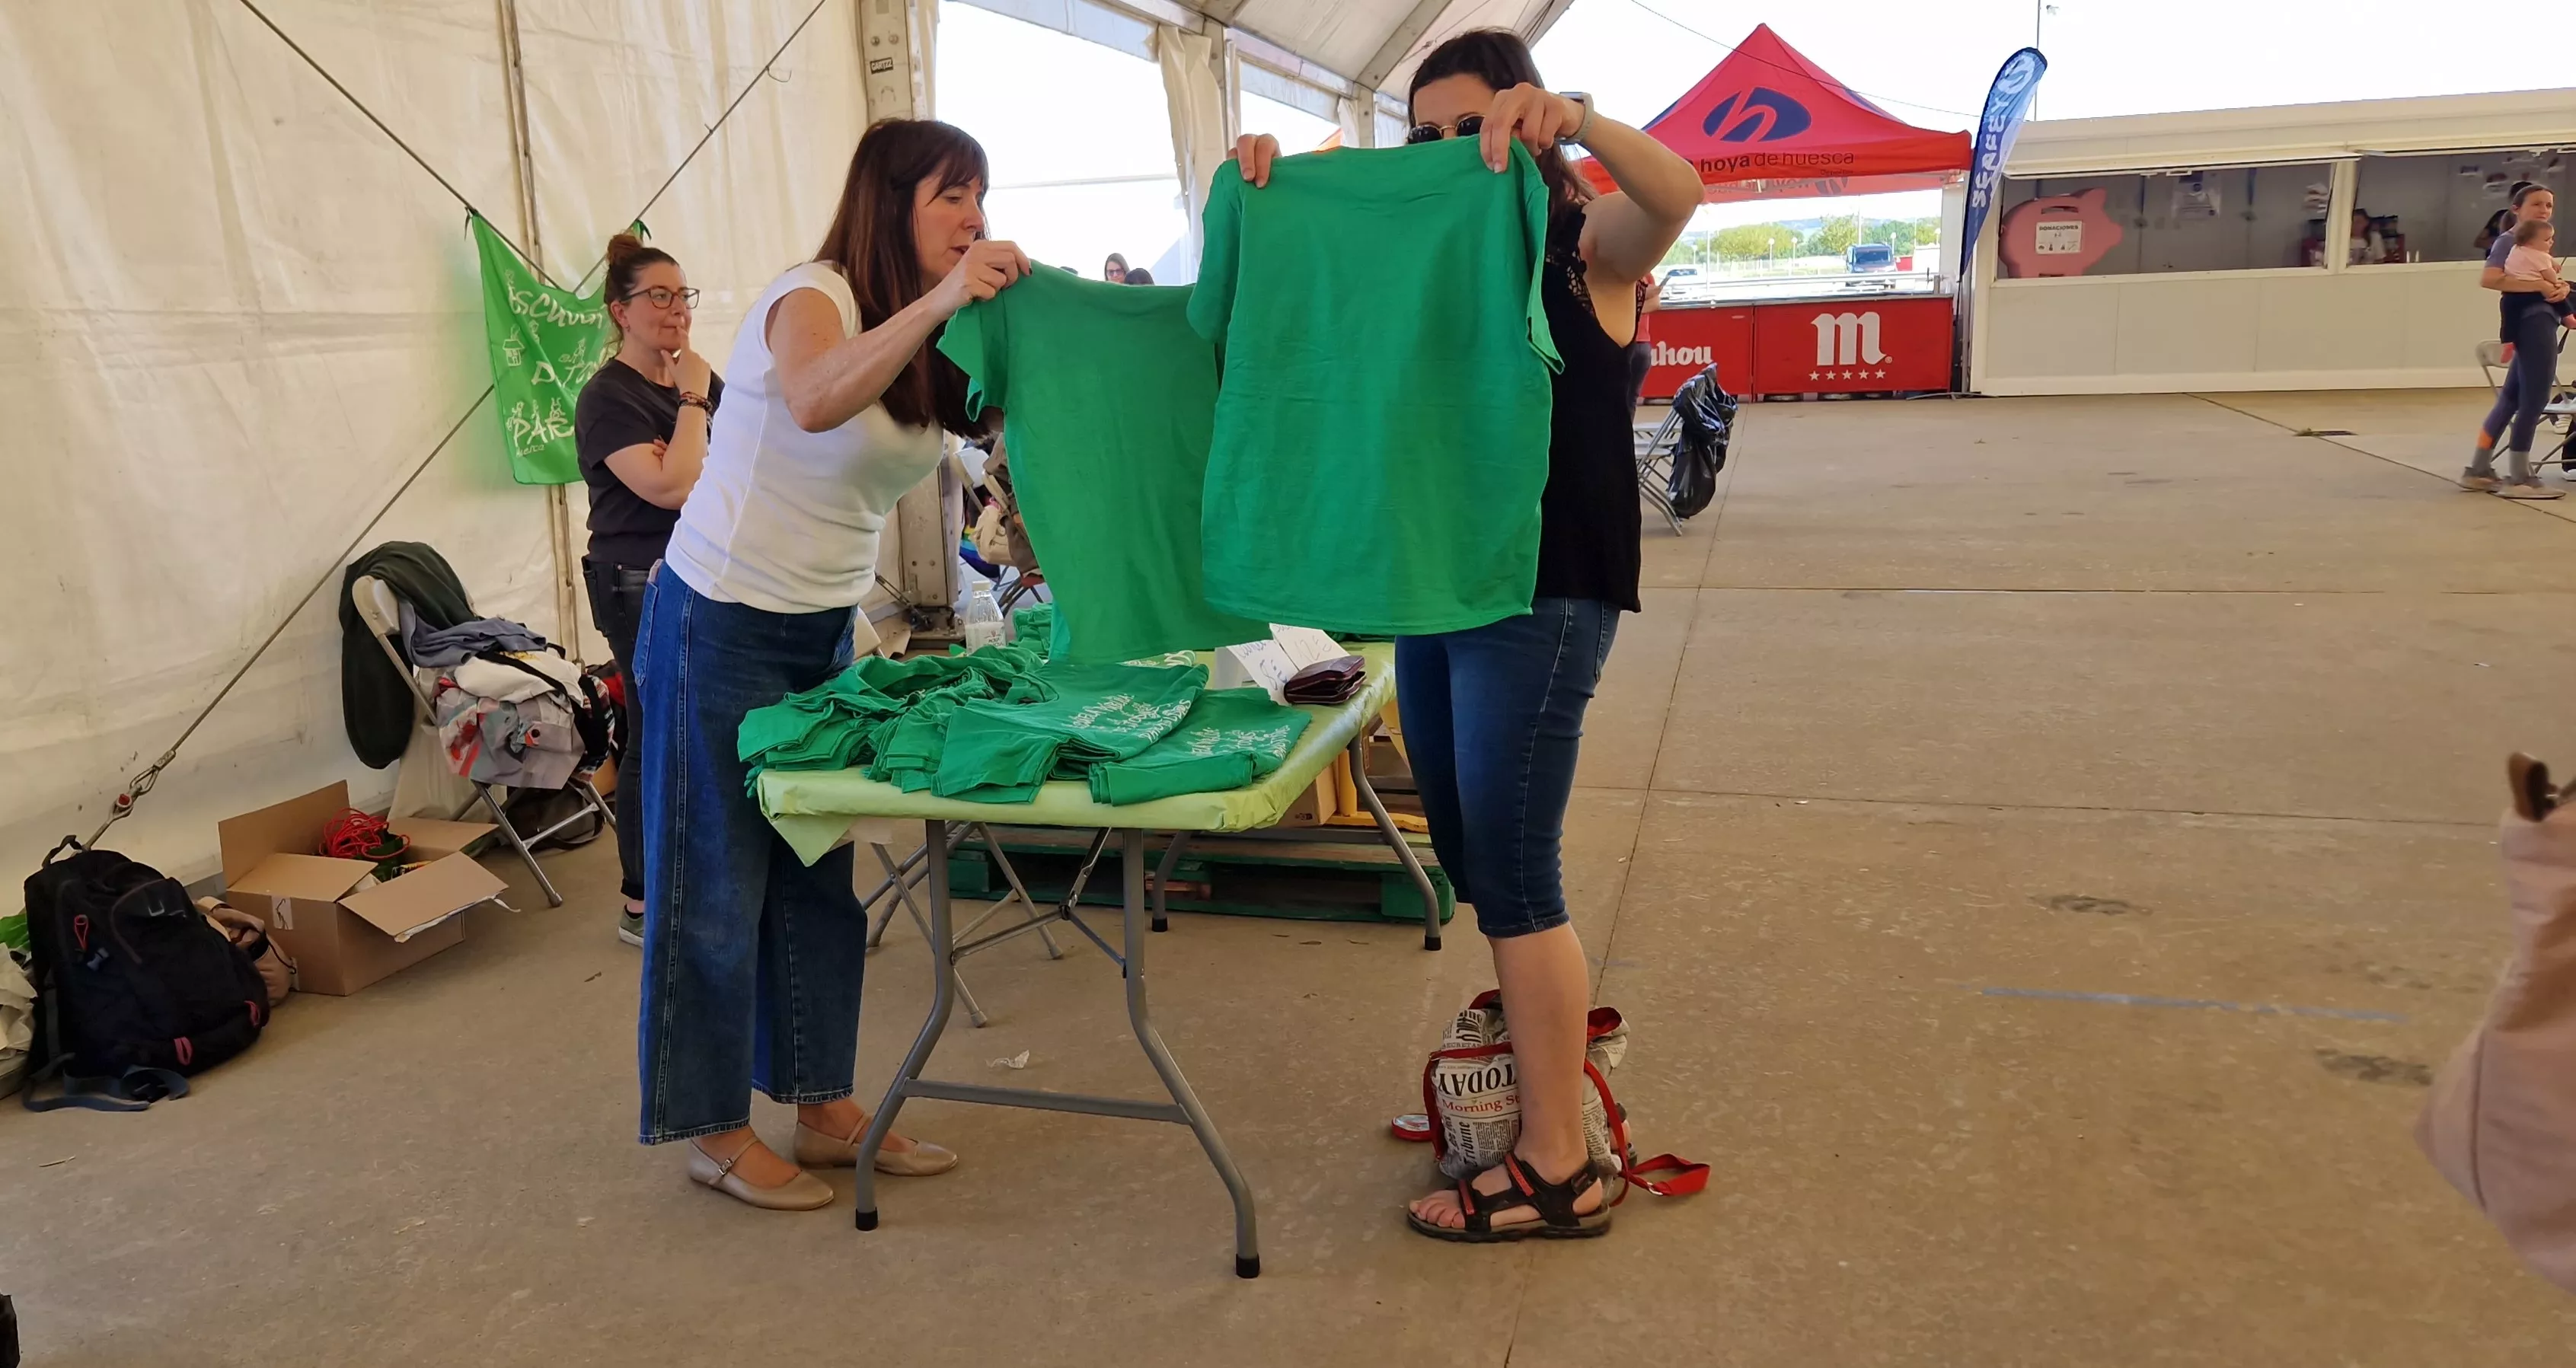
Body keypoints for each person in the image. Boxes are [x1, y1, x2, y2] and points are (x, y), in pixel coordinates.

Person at [1234, 28, 1698, 1242]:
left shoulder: (1579, 243)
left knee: (1517, 875)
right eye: (1423, 134)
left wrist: (1578, 119)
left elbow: (1676, 195)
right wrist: (1276, 193)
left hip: (1542, 598)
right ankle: (1534, 1103)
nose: (1446, 151)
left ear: (1519, 122)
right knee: (1480, 866)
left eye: (1468, 125)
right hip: (1443, 596)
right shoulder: (1431, 263)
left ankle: (1557, 1166)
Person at [633, 118, 1029, 1210]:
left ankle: (818, 1103)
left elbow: (995, 424)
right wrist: (946, 300)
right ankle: (711, 1128)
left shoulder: (925, 330)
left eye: (980, 196)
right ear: (889, 199)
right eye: (952, 194)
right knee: (714, 887)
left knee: (816, 882)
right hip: (715, 616)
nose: (972, 216)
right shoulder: (811, 296)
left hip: (818, 629)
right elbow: (812, 398)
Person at [573, 233, 719, 949]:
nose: (676, 310)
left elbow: (727, 472)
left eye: (683, 295)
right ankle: (641, 900)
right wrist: (692, 406)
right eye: (657, 296)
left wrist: (690, 436)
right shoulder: (609, 397)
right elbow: (669, 485)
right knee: (656, 736)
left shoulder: (697, 383)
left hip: (705, 571)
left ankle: (697, 880)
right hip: (638, 582)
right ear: (620, 311)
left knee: (701, 732)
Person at [2465, 184, 2571, 499]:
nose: (2543, 210)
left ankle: (2479, 468)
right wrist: (2540, 286)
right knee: (2534, 399)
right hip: (2533, 323)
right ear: (2516, 208)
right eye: (2537, 204)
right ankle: (2521, 477)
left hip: (2540, 319)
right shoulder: (2511, 240)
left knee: (2510, 399)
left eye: (2549, 205)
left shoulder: (2536, 242)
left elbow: (2542, 279)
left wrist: (2560, 288)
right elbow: (2490, 278)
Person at [1626, 271, 1663, 418]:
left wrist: (1630, 307)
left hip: (1634, 344)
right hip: (1636, 343)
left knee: (1627, 398)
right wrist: (1643, 297)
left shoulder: (1644, 274)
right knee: (1629, 399)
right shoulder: (1644, 275)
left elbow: (1655, 303)